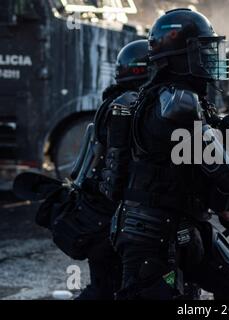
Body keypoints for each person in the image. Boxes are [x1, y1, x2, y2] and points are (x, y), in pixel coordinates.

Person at [107, 8, 229, 300]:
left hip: (184, 226)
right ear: (181, 57)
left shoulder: (173, 99)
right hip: (152, 236)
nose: (211, 58)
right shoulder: (178, 104)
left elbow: (189, 170)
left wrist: (226, 207)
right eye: (202, 50)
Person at [37, 39, 150, 300]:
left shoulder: (112, 103)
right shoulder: (130, 108)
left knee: (106, 288)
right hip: (110, 220)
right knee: (109, 290)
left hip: (98, 216)